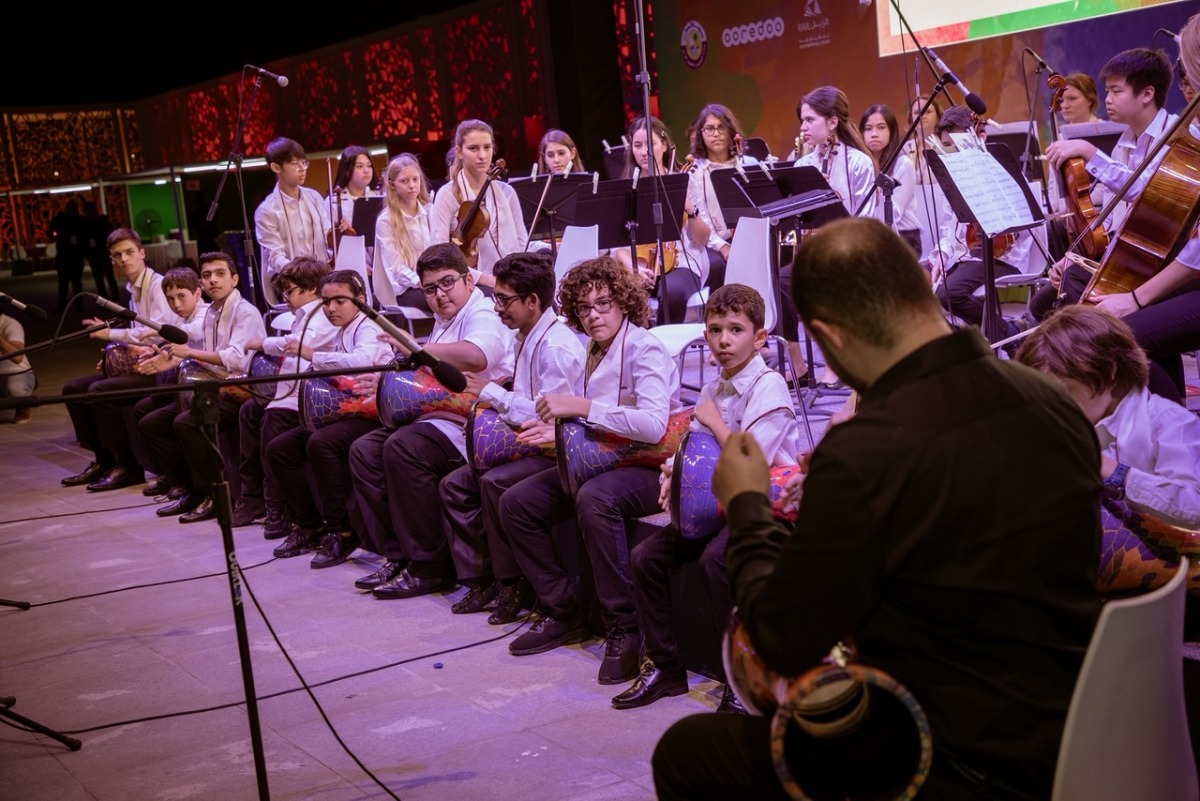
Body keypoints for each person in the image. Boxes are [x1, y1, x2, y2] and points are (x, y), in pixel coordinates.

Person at [651, 217, 1104, 800]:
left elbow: (780, 639)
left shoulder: (870, 449)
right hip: (1071, 721)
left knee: (689, 752)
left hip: (946, 756)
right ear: (920, 284)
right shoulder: (1052, 401)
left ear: (829, 336)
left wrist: (747, 504)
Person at [613, 283, 802, 712]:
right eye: (715, 330)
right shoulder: (714, 387)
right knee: (646, 557)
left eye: (736, 330)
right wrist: (670, 476)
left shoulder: (768, 386)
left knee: (720, 559)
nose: (723, 340)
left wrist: (713, 421)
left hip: (765, 504)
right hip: (719, 501)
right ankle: (666, 666)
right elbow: (694, 456)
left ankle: (743, 679)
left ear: (759, 338)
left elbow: (750, 462)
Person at [499, 255, 681, 685]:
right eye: (584, 307)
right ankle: (565, 609)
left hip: (647, 464)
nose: (594, 314)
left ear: (624, 302)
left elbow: (654, 425)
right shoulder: (589, 348)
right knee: (516, 502)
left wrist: (582, 409)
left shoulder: (645, 346)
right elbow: (582, 417)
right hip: (601, 457)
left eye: (603, 303)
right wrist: (559, 430)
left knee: (595, 498)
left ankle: (626, 627)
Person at [349, 243, 514, 596]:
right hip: (439, 418)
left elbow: (476, 355)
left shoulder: (482, 314)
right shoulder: (443, 320)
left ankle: (430, 568)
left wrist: (416, 348)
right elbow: (428, 373)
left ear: (469, 281)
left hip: (478, 424)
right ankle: (401, 555)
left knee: (403, 448)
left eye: (447, 283)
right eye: (429, 289)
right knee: (365, 449)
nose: (439, 295)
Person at [437, 251, 586, 616]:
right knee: (455, 484)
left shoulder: (556, 346)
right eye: (495, 298)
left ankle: (514, 585)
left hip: (557, 448)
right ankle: (483, 580)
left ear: (532, 301)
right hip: (530, 438)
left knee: (494, 483)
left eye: (504, 299)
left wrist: (487, 391)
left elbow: (551, 418)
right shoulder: (525, 334)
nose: (497, 307)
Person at [1014, 305, 1200, 594]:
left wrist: (1113, 472)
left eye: (1064, 392)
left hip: (1165, 580)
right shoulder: (1068, 422)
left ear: (1110, 372)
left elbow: (1195, 507)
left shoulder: (1168, 421)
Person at [1065, 14, 1200, 405]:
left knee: (1124, 334)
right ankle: (1167, 426)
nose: (1186, 85)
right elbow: (1156, 196)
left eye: (1189, 75)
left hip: (1187, 268)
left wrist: (1138, 297)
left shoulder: (1179, 131)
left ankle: (1176, 436)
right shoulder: (1171, 136)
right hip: (1179, 265)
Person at [1036, 47, 1176, 320]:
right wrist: (1073, 257)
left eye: (1116, 91)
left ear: (1147, 94)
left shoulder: (1172, 137)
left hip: (1159, 261)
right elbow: (1112, 218)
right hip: (1128, 255)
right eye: (1107, 91)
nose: (1108, 100)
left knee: (1071, 296)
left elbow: (1147, 192)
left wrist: (1090, 153)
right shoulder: (1125, 142)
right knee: (1044, 301)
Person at [264, 269, 393, 564]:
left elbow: (362, 361)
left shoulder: (369, 325)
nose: (331, 308)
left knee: (321, 443)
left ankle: (342, 531)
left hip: (375, 411)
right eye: (326, 302)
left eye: (339, 301)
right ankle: (310, 525)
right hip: (350, 408)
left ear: (360, 300)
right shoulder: (343, 329)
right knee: (280, 449)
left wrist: (313, 355)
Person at [138, 251, 267, 522]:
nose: (212, 281)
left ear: (234, 279)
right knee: (152, 423)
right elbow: (196, 345)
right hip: (217, 387)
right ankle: (190, 488)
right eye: (207, 275)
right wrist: (170, 359)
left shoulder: (246, 312)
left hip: (244, 392)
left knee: (186, 422)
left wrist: (188, 354)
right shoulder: (212, 312)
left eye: (220, 274)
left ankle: (217, 495)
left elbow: (235, 359)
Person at [229, 257, 336, 533]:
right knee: (249, 412)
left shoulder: (322, 313)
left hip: (308, 396)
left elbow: (301, 345)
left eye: (289, 290)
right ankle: (254, 498)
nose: (285, 297)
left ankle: (280, 508)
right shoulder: (303, 315)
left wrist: (262, 342)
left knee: (272, 426)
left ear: (311, 289)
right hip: (287, 391)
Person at [60, 227, 173, 490]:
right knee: (73, 389)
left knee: (100, 391)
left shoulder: (158, 286)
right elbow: (137, 336)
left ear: (142, 253)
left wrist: (110, 335)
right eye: (117, 255)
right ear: (111, 260)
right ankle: (104, 459)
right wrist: (114, 353)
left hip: (160, 368)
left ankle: (129, 467)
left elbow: (156, 332)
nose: (124, 259)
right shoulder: (133, 289)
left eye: (129, 252)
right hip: (141, 363)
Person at [779, 86, 877, 384]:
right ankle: (798, 363)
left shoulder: (858, 163)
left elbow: (866, 220)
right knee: (781, 279)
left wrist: (830, 200)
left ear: (832, 122)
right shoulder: (802, 165)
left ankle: (836, 362)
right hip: (814, 251)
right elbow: (790, 221)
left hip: (850, 252)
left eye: (810, 120)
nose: (803, 127)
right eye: (802, 120)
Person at [926, 106, 1036, 334]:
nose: (953, 153)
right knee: (918, 292)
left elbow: (1024, 226)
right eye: (948, 147)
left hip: (1002, 257)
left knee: (949, 294)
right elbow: (950, 229)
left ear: (981, 137)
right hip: (966, 256)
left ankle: (1008, 334)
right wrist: (942, 255)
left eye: (958, 145)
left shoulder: (1005, 173)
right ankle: (982, 338)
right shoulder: (953, 177)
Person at [613, 115, 709, 326]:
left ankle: (665, 349)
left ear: (664, 145)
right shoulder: (628, 188)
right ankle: (640, 343)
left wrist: (690, 210)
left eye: (650, 144)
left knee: (671, 292)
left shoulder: (685, 181)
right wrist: (631, 268)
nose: (643, 151)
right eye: (637, 145)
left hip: (683, 266)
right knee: (619, 291)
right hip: (641, 265)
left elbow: (702, 239)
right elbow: (618, 247)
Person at [128, 266, 210, 498]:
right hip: (188, 383)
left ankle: (192, 487)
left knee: (171, 420)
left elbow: (190, 333)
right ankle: (173, 477)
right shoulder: (181, 315)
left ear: (197, 294)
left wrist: (161, 332)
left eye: (181, 296)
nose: (176, 304)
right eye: (170, 299)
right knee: (144, 414)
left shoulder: (205, 313)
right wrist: (159, 353)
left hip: (206, 386)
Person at [429, 119, 527, 286]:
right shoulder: (447, 195)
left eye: (487, 148)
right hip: (468, 281)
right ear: (459, 152)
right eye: (473, 148)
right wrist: (487, 280)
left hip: (509, 275)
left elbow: (521, 241)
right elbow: (441, 253)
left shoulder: (507, 192)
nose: (482, 155)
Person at [685, 103, 754, 290]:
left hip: (748, 238)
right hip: (713, 242)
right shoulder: (695, 173)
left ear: (730, 130)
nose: (716, 133)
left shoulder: (748, 164)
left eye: (721, 127)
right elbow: (702, 217)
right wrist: (723, 247)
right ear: (701, 134)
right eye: (709, 128)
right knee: (717, 266)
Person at [253, 137, 332, 280]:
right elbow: (275, 256)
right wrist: (302, 274)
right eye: (295, 164)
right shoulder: (266, 211)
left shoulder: (314, 197)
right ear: (276, 168)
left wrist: (338, 234)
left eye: (304, 162)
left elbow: (327, 237)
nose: (302, 169)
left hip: (322, 273)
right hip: (291, 278)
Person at [859, 103, 922, 256]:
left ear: (892, 131)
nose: (874, 134)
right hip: (867, 235)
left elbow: (892, 214)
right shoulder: (860, 164)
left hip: (903, 238)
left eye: (881, 127)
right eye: (868, 129)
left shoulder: (903, 164)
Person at [374, 153, 433, 312]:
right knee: (444, 301)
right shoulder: (386, 220)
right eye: (404, 181)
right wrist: (420, 281)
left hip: (432, 282)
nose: (412, 185)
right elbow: (397, 268)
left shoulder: (429, 211)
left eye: (415, 179)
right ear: (392, 185)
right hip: (407, 289)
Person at [327, 144, 381, 268]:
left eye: (369, 166)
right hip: (351, 265)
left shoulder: (379, 197)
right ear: (347, 170)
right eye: (360, 166)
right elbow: (331, 247)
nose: (366, 171)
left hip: (379, 263)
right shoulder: (334, 202)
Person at [49, 199, 86, 314]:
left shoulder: (79, 221)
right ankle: (63, 306)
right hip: (64, 257)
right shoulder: (61, 220)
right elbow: (51, 232)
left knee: (76, 283)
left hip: (75, 257)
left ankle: (78, 305)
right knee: (63, 283)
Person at [0, 312, 35, 424]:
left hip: (15, 372)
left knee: (15, 388)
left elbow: (17, 357)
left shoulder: (11, 324)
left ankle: (23, 404)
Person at [82, 200, 118, 299]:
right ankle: (103, 299)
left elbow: (109, 233)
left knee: (109, 276)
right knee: (98, 278)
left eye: (87, 209)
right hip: (93, 254)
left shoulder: (102, 221)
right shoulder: (85, 223)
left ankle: (115, 297)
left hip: (103, 252)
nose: (86, 211)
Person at [905, 94, 943, 184]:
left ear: (938, 117)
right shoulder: (904, 149)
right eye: (917, 112)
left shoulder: (945, 148)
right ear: (911, 119)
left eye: (928, 111)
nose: (922, 116)